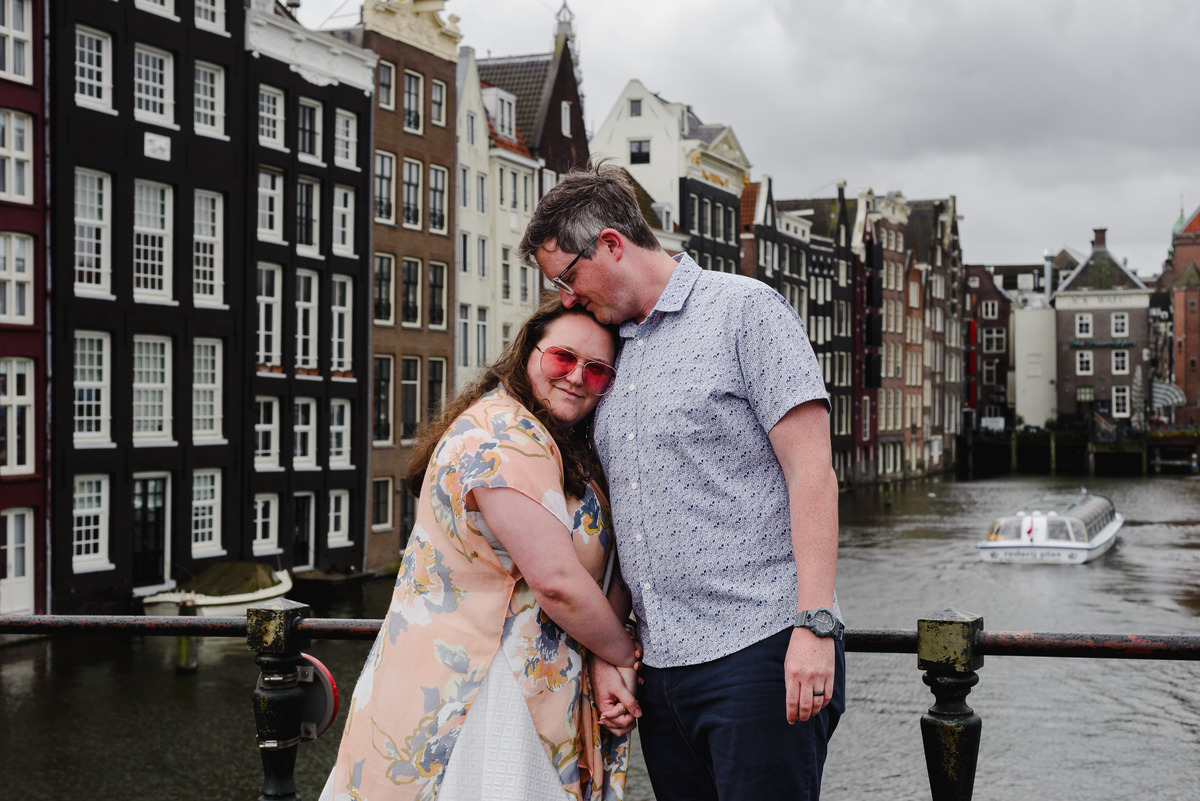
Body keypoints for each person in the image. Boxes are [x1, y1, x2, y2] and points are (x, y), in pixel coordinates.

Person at [518, 162, 846, 801]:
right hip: (662, 673)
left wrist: (814, 627)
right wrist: (613, 655)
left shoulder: (745, 310)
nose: (564, 297)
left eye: (567, 276)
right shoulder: (607, 351)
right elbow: (622, 517)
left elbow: (812, 471)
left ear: (612, 244)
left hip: (760, 650)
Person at [320, 296, 639, 801]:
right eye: (563, 358)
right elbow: (557, 583)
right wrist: (622, 653)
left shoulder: (557, 442)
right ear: (528, 353)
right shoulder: (504, 438)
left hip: (511, 684)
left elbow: (605, 568)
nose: (577, 377)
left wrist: (602, 660)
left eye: (597, 371)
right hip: (484, 695)